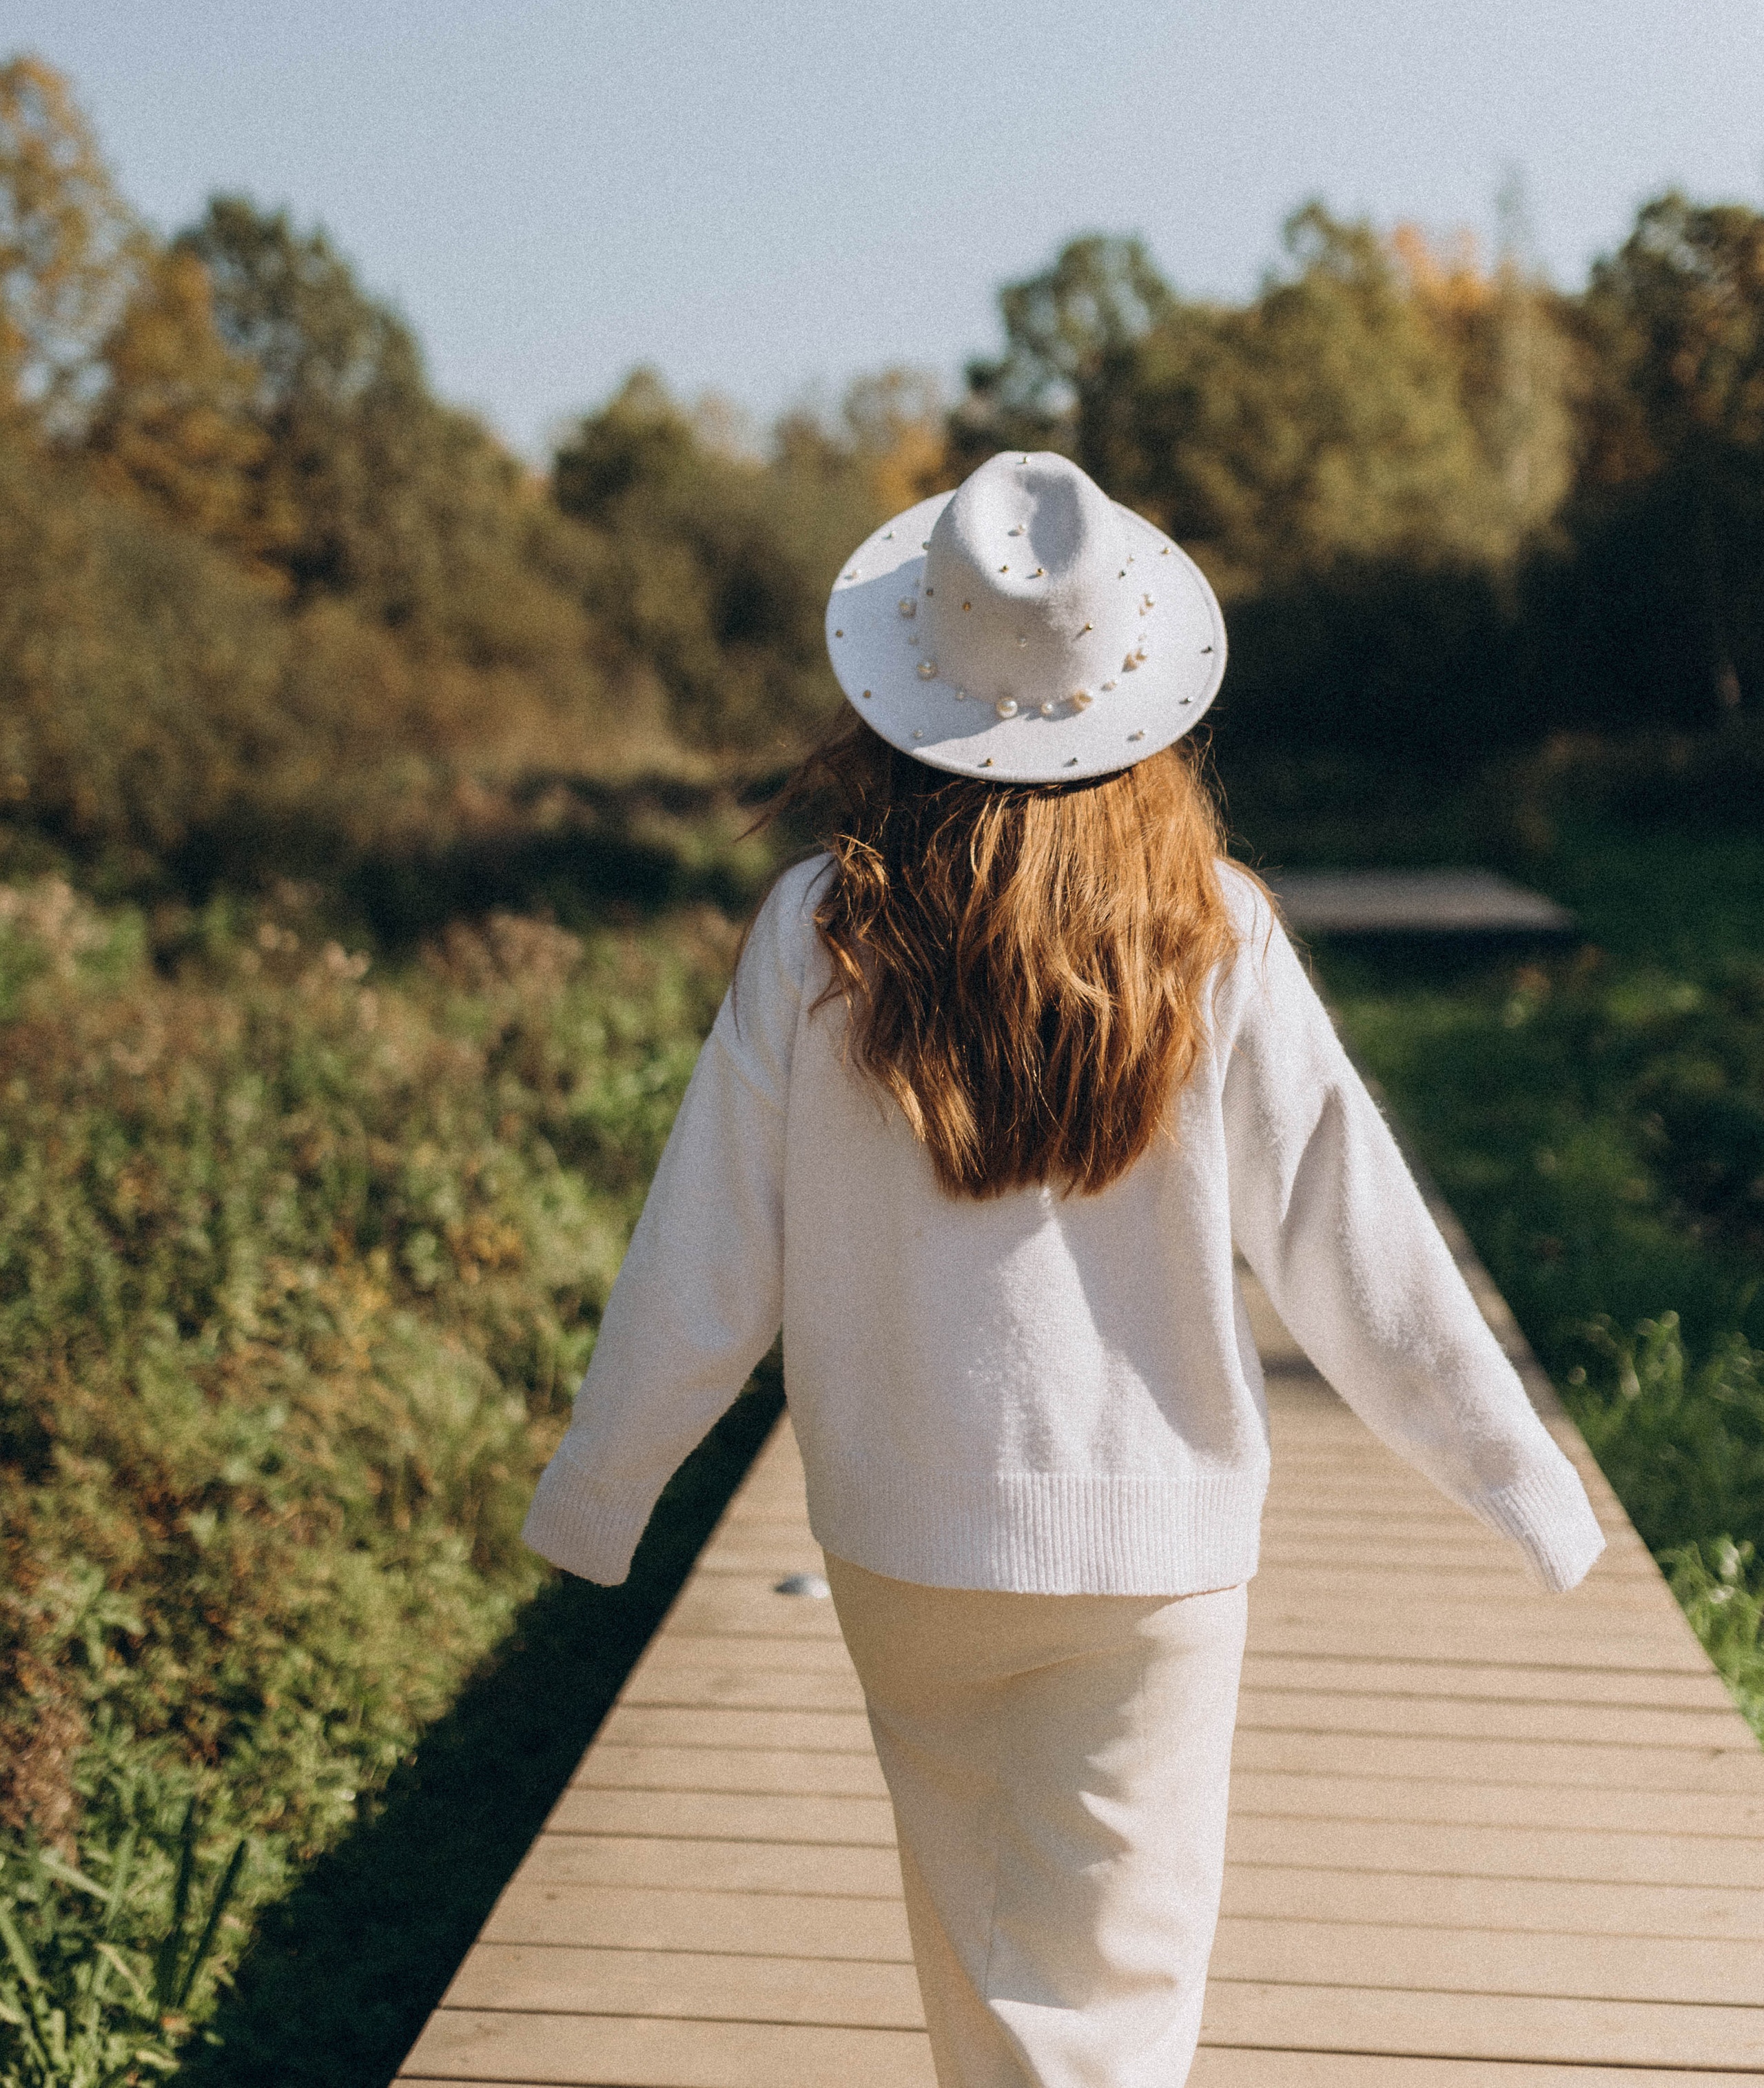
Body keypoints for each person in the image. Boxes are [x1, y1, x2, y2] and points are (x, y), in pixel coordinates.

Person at [524, 448, 1605, 2088]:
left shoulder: (819, 930)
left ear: (898, 685)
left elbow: (704, 1254)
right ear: (1135, 695)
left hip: (902, 1545)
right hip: (1151, 1557)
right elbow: (1348, 1233)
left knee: (977, 1973)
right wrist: (1514, 1475)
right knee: (1116, 2002)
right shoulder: (1213, 928)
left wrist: (600, 1489)